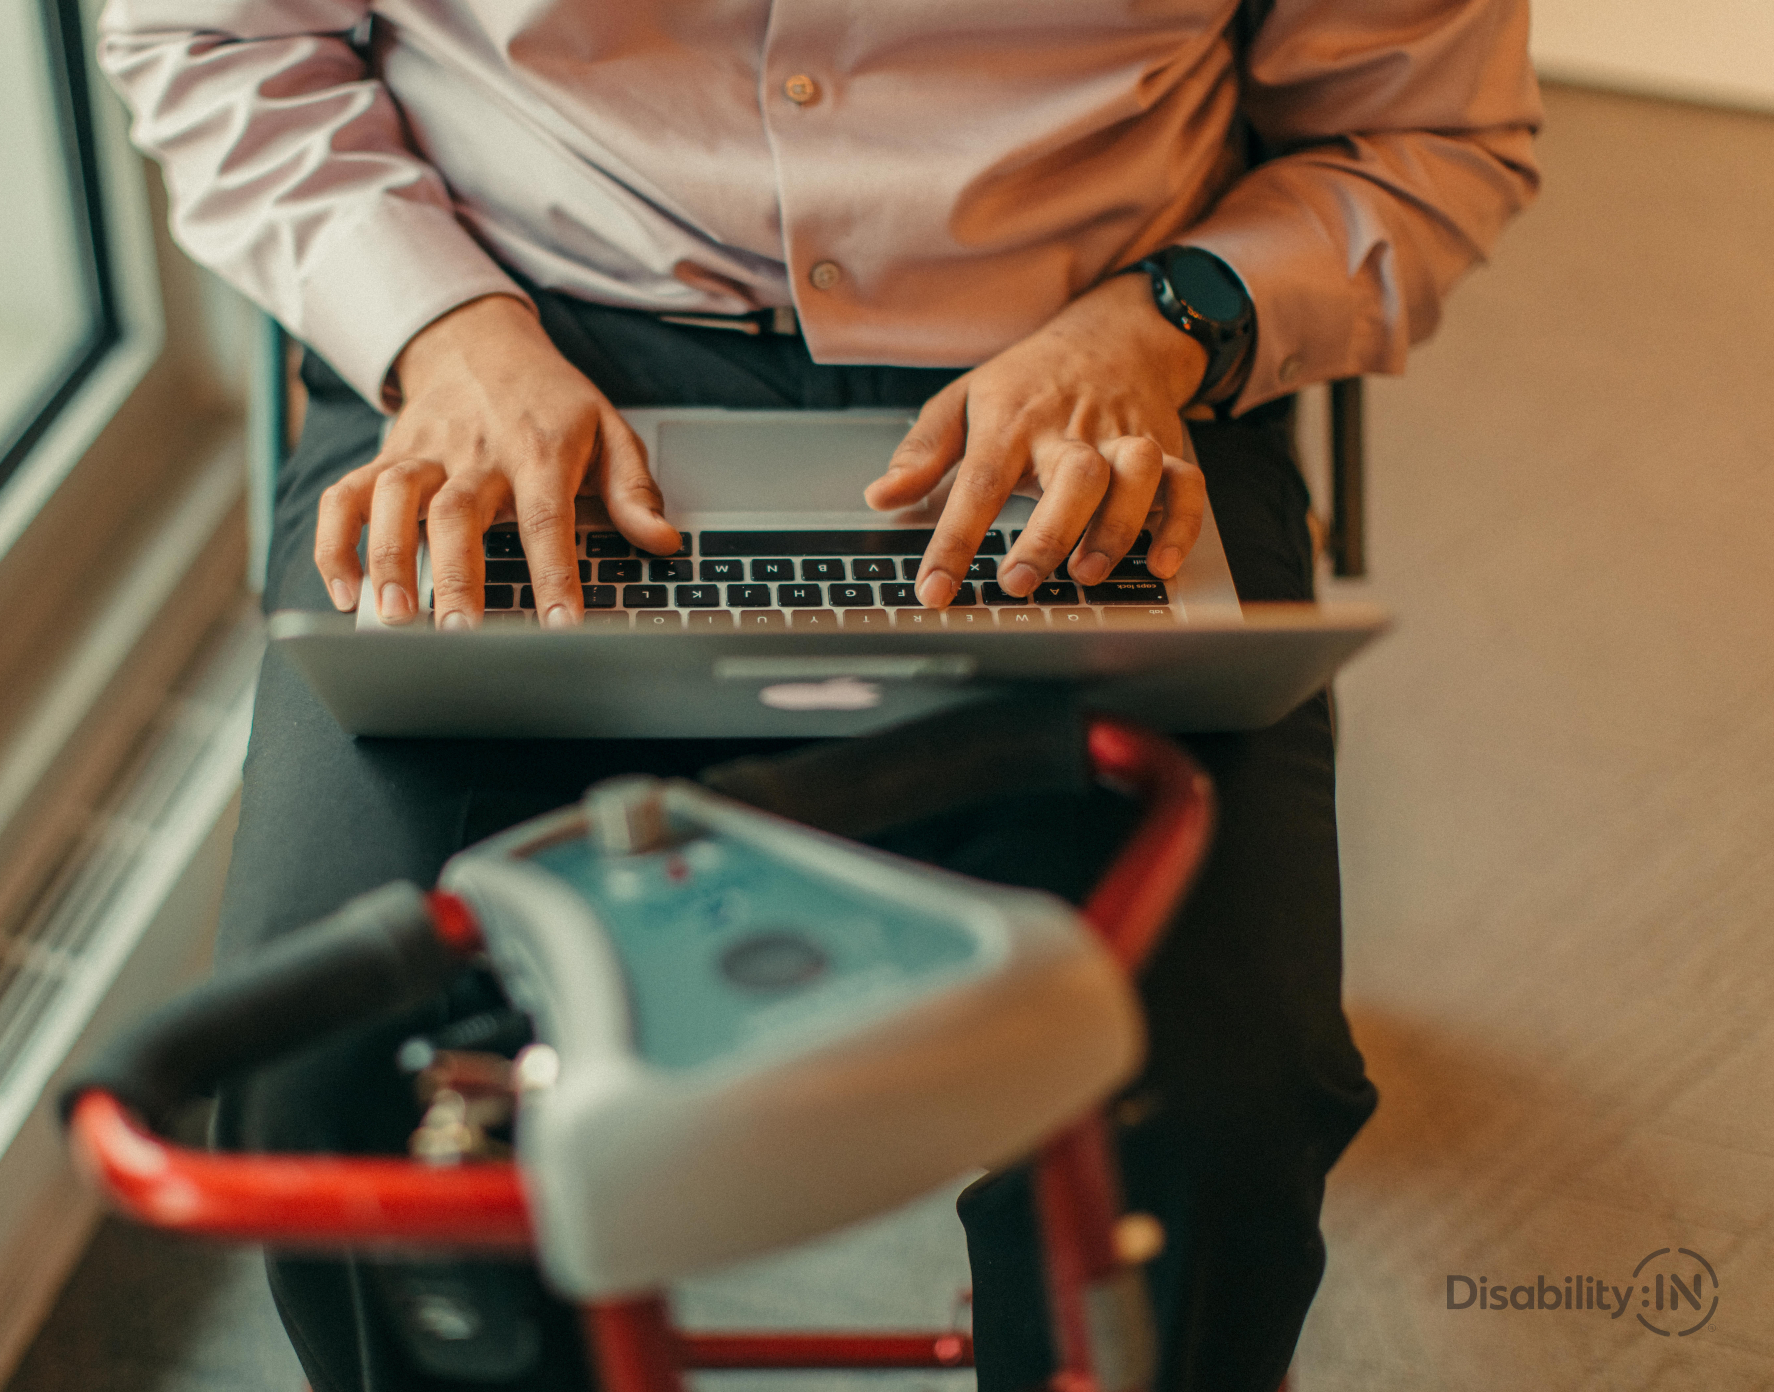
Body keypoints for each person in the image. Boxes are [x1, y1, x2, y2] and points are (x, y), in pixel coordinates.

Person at [97, 3, 1540, 1389]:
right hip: (515, 332)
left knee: (1217, 1113)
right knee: (337, 1094)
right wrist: (441, 332)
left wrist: (1166, 322)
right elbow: (216, 36)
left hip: (1092, 359)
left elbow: (1426, 132)